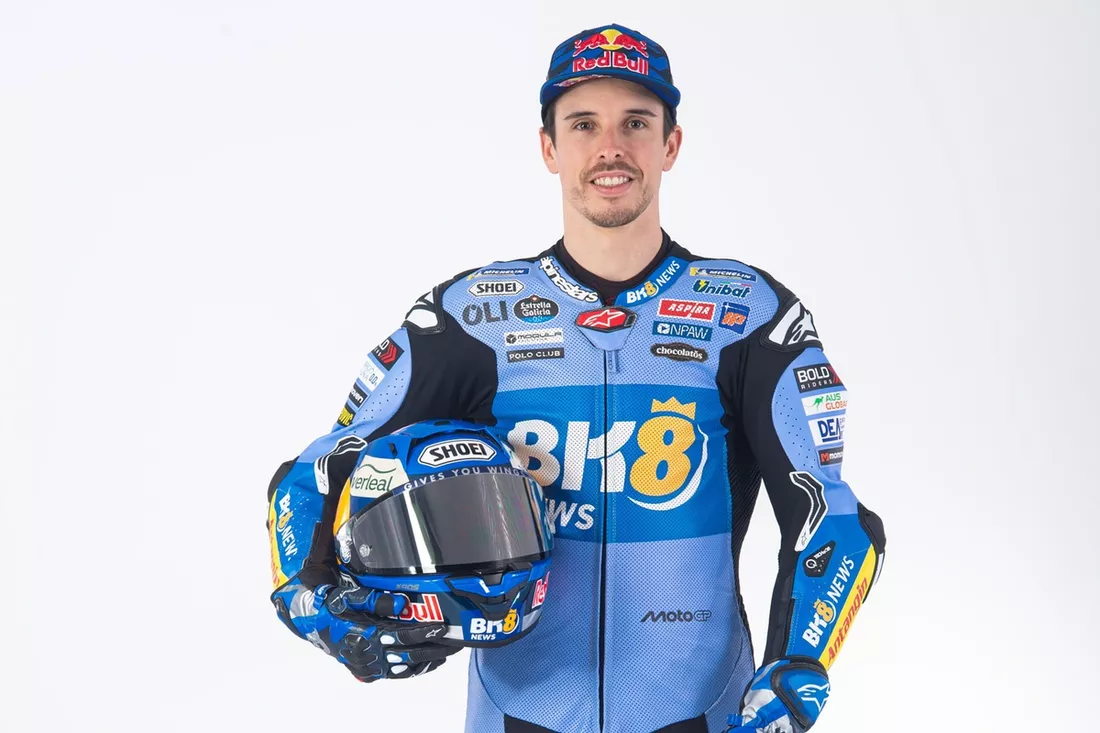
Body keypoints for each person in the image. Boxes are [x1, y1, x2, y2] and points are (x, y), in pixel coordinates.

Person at [267, 22, 887, 733]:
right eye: (584, 124)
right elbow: (318, 472)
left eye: (636, 123)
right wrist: (314, 603)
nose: (610, 148)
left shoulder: (750, 315)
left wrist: (795, 669)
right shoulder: (469, 316)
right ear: (549, 147)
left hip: (705, 716)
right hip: (514, 716)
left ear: (671, 144)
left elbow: (833, 520)